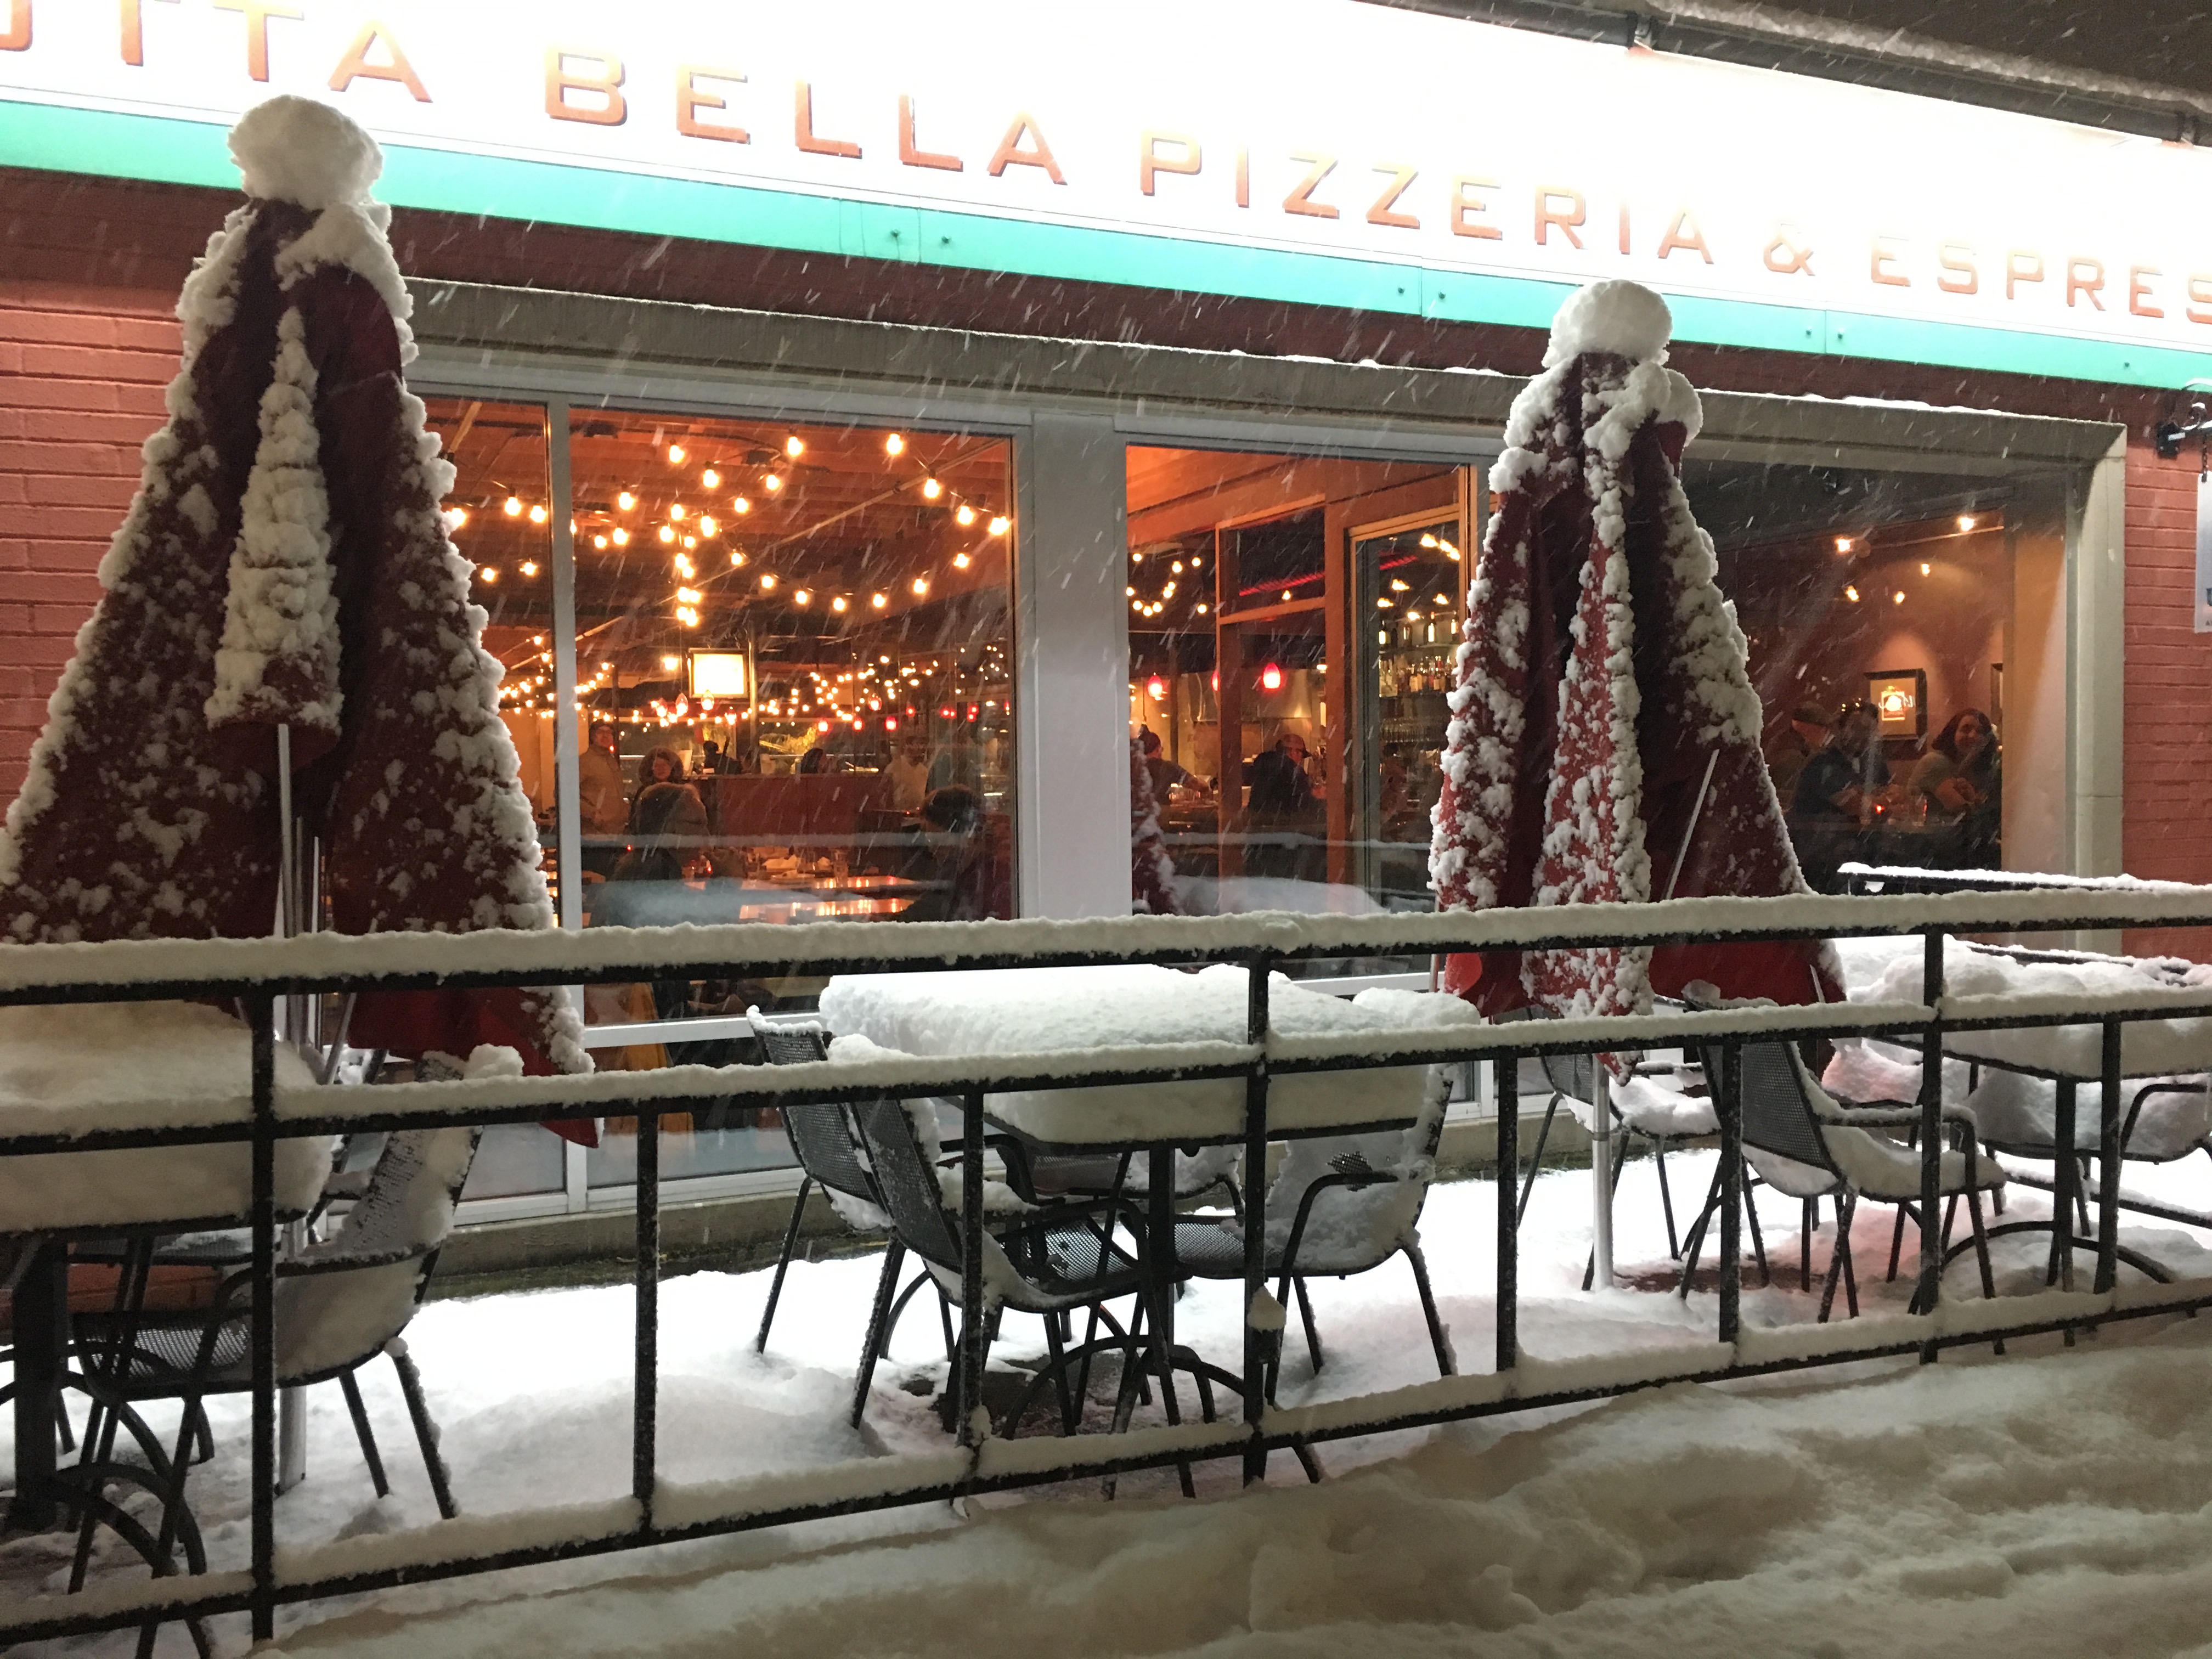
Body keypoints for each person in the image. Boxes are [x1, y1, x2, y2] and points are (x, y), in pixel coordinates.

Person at [1789, 702, 1879, 891]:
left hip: (1832, 856)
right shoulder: (1824, 764)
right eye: (1856, 729)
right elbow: (1859, 806)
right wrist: (1887, 804)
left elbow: (1864, 795)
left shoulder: (1843, 762)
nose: (1863, 737)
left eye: (1868, 731)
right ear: (1835, 729)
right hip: (1823, 862)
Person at [904, 785, 1011, 921]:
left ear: (964, 835)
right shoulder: (961, 872)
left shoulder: (989, 882)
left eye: (934, 839)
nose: (932, 849)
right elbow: (925, 907)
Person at [1911, 708, 2001, 867]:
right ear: (1952, 732)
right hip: (1926, 853)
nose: (1973, 735)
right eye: (1966, 729)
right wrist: (1977, 801)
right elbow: (1962, 810)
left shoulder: (1976, 770)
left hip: (1954, 849)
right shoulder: (1935, 762)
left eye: (1980, 732)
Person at [578, 720, 627, 879]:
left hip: (616, 836)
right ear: (592, 736)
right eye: (601, 732)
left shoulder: (612, 761)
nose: (606, 736)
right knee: (598, 880)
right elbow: (563, 793)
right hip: (595, 837)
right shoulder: (584, 762)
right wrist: (591, 814)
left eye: (609, 733)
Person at [1767, 702, 1831, 808]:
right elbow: (1789, 801)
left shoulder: (1788, 743)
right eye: (1823, 729)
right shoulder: (1792, 757)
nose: (1824, 734)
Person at [1138, 727, 1204, 800]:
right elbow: (1194, 783)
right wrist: (1206, 789)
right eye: (1162, 749)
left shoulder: (1132, 768)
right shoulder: (1167, 768)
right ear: (1158, 749)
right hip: (1159, 807)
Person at [928, 724, 984, 794]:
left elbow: (977, 790)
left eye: (964, 741)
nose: (962, 746)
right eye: (959, 742)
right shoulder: (941, 765)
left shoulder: (969, 765)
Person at [884, 733, 932, 810]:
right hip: (899, 814)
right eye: (917, 744)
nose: (921, 748)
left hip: (919, 814)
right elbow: (884, 794)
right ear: (906, 746)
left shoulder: (924, 771)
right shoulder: (894, 767)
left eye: (922, 744)